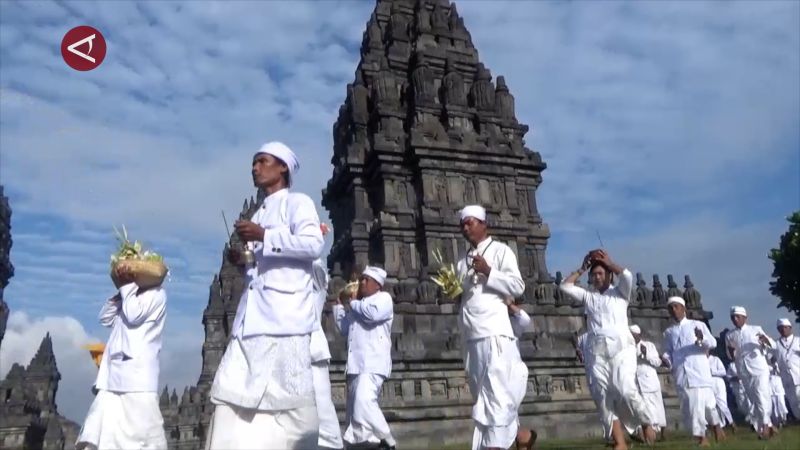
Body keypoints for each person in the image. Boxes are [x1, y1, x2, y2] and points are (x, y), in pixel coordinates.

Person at [204, 141, 325, 449]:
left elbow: (312, 245)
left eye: (262, 161)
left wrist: (264, 236)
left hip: (285, 317)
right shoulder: (258, 214)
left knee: (291, 402)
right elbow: (259, 268)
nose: (254, 168)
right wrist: (242, 260)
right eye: (253, 163)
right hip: (252, 319)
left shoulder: (298, 203)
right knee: (233, 395)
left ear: (282, 167)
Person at [559, 249, 657, 449]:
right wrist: (582, 268)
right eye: (594, 275)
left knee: (626, 389)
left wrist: (609, 263)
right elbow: (565, 286)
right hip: (596, 351)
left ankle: (646, 421)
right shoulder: (589, 297)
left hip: (621, 348)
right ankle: (619, 442)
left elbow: (627, 276)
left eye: (600, 274)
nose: (596, 277)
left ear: (609, 275)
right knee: (602, 396)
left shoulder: (620, 294)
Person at [456, 205, 527, 450]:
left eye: (471, 223)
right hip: (471, 334)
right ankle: (522, 437)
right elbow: (464, 296)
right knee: (483, 397)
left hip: (495, 332)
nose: (466, 228)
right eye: (463, 224)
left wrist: (489, 271)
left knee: (496, 393)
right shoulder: (461, 262)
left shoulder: (501, 251)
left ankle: (494, 446)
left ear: (484, 224)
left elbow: (517, 286)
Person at [76, 265, 168, 450]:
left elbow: (134, 315)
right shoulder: (129, 297)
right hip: (113, 375)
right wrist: (122, 292)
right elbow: (105, 318)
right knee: (105, 429)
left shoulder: (157, 294)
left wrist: (127, 288)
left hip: (137, 375)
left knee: (139, 431)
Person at [333, 266, 396, 449]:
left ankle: (388, 439)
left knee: (364, 401)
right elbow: (345, 329)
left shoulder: (383, 299)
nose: (362, 283)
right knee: (356, 414)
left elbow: (372, 315)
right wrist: (338, 306)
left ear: (377, 285)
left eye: (366, 280)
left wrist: (352, 303)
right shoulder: (358, 305)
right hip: (355, 365)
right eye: (362, 279)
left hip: (373, 362)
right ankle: (368, 445)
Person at [661, 297, 725, 446]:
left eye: (676, 307)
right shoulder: (669, 332)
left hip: (700, 371)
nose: (674, 310)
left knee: (709, 406)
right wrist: (665, 360)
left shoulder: (698, 325)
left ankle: (716, 426)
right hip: (682, 374)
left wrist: (701, 340)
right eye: (671, 308)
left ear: (684, 309)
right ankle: (701, 437)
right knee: (692, 407)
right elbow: (667, 352)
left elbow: (713, 343)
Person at [311, 225, 345, 450]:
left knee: (321, 409)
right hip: (285, 348)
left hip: (310, 348)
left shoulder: (316, 275)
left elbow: (313, 260)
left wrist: (313, 236)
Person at [725, 306, 776, 440]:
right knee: (753, 399)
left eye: (738, 317)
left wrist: (765, 340)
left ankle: (764, 426)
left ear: (744, 318)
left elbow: (773, 345)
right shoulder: (730, 335)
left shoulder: (756, 329)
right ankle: (769, 425)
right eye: (733, 317)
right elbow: (731, 357)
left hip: (759, 368)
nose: (735, 319)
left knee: (761, 395)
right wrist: (731, 351)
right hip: (743, 370)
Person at [505, 297, 537, 450]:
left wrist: (508, 304)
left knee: (509, 414)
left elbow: (524, 319)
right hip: (495, 375)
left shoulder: (511, 324)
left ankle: (522, 442)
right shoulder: (488, 322)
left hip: (511, 375)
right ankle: (522, 442)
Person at [629, 325, 667, 441]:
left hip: (650, 383)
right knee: (642, 411)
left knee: (657, 410)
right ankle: (646, 437)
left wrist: (646, 355)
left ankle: (658, 435)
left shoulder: (649, 345)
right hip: (635, 384)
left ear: (638, 335)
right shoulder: (627, 348)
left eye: (633, 335)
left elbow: (657, 362)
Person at [774, 318, 800, 422]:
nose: (783, 330)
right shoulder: (776, 344)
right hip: (786, 378)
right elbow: (770, 358)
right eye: (780, 328)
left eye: (785, 327)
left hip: (798, 375)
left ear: (790, 328)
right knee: (793, 401)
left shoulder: (798, 340)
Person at [708, 351, 735, 431]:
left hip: (718, 383)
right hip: (708, 384)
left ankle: (731, 422)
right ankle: (721, 425)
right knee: (713, 406)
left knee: (722, 404)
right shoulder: (701, 360)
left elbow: (723, 372)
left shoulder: (715, 359)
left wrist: (712, 372)